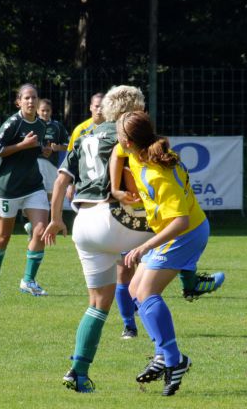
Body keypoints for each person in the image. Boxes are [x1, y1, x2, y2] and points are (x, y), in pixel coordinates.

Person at [41, 85, 153, 393]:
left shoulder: (84, 136)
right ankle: (191, 280)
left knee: (98, 303)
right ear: (132, 110)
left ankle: (78, 371)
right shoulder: (126, 135)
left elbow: (62, 180)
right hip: (112, 218)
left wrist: (54, 219)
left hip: (83, 225)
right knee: (179, 229)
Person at [111, 111, 225, 397]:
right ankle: (167, 355)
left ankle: (173, 360)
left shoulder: (156, 172)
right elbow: (116, 153)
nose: (116, 140)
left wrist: (144, 246)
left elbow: (181, 221)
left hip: (185, 233)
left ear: (128, 141)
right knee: (136, 289)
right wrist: (117, 188)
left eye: (118, 135)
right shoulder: (141, 153)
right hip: (173, 232)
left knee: (146, 292)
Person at [0, 83, 51, 296]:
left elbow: (35, 149)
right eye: (26, 98)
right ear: (18, 102)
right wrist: (23, 145)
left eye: (34, 97)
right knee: (3, 237)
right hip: (8, 189)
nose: (31, 101)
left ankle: (28, 281)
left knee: (41, 230)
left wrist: (44, 150)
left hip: (33, 186)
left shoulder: (41, 125)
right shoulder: (13, 123)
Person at [23, 98, 69, 240]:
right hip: (35, 163)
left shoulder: (57, 126)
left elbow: (68, 145)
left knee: (51, 196)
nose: (45, 113)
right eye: (42, 110)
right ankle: (34, 224)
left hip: (51, 166)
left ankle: (40, 225)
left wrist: (57, 147)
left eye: (48, 110)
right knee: (35, 194)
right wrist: (40, 149)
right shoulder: (32, 124)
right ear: (37, 111)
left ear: (51, 112)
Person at [65, 92, 105, 202]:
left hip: (106, 184)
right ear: (91, 107)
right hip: (84, 184)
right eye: (97, 106)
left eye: (103, 106)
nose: (100, 110)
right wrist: (70, 184)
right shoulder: (80, 130)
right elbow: (70, 159)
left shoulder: (114, 129)